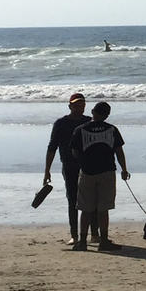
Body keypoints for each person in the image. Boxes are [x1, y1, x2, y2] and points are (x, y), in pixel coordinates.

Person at [68, 101, 130, 252]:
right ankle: (103, 241)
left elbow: (74, 152)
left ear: (92, 111)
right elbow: (118, 151)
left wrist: (83, 163)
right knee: (103, 209)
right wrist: (124, 169)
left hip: (87, 173)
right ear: (107, 115)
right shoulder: (112, 129)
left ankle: (82, 241)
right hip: (107, 172)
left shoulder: (80, 130)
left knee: (85, 208)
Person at [43, 92, 93, 246]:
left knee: (91, 200)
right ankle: (74, 235)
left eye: (82, 105)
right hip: (69, 165)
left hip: (88, 166)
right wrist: (47, 170)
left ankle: (95, 233)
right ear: (70, 106)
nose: (80, 107)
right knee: (72, 199)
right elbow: (52, 147)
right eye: (76, 105)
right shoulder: (61, 123)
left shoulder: (89, 121)